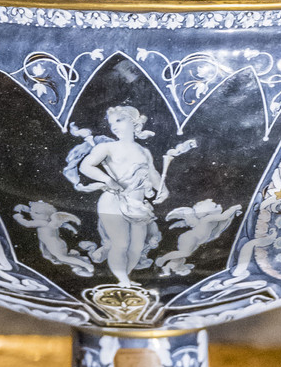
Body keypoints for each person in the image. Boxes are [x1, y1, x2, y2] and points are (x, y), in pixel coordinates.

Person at [66, 107, 193, 285]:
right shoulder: (107, 147)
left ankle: (125, 278)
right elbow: (86, 166)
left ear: (134, 122)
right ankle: (123, 279)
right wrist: (106, 179)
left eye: (119, 121)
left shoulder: (143, 151)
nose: (114, 127)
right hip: (114, 201)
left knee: (137, 247)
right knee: (121, 244)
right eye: (111, 123)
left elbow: (154, 175)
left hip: (137, 205)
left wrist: (162, 190)